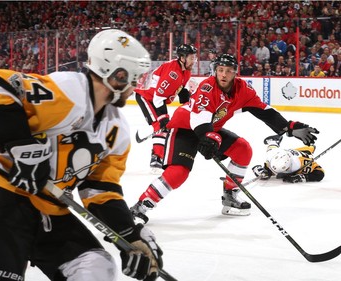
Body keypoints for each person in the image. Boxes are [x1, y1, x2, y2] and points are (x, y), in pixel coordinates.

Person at [0, 29, 164, 281]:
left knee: (95, 268)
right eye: (134, 78)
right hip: (2, 191)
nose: (135, 86)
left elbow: (101, 190)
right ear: (117, 75)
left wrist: (130, 237)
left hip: (49, 207)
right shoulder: (70, 90)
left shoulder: (117, 129)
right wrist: (21, 145)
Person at [130, 54, 319, 223]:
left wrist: (289, 127)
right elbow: (199, 118)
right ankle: (141, 207)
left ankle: (230, 196)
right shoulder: (207, 87)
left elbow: (263, 111)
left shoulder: (242, 89)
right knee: (179, 172)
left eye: (228, 71)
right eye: (220, 70)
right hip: (185, 129)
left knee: (243, 149)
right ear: (215, 71)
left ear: (235, 73)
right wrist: (209, 137)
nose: (223, 74)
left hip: (210, 131)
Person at [134, 43, 197, 173]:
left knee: (164, 126)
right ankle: (156, 158)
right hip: (146, 97)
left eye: (194, 57)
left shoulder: (186, 71)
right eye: (191, 58)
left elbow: (183, 90)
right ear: (182, 58)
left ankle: (155, 149)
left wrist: (187, 107)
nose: (194, 60)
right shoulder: (172, 73)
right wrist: (163, 117)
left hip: (156, 99)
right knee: (161, 125)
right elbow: (158, 97)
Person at [252, 135, 324, 183]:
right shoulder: (273, 154)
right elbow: (272, 148)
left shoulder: (299, 166)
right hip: (289, 153)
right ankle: (274, 141)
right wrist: (260, 170)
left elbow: (320, 174)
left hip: (300, 155)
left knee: (310, 149)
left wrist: (300, 177)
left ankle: (311, 148)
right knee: (272, 148)